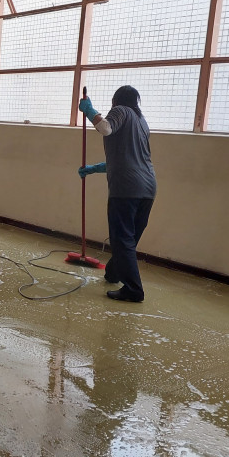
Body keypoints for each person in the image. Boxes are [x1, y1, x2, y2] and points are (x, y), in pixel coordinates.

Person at [77, 85, 156, 302]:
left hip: (126, 188)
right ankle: (114, 272)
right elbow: (127, 158)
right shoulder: (142, 122)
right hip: (148, 188)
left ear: (117, 100)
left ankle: (133, 290)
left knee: (122, 240)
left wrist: (90, 111)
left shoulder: (121, 110)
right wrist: (95, 168)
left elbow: (105, 128)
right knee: (128, 239)